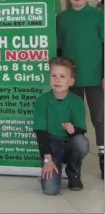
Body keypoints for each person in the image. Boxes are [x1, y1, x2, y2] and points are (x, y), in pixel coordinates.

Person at [56, 0, 104, 179]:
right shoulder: (62, 19)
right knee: (73, 117)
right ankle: (75, 158)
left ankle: (102, 154)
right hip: (70, 78)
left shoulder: (98, 15)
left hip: (95, 75)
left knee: (99, 117)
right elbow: (58, 49)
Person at [33, 57, 89, 195]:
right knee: (50, 190)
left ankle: (73, 171)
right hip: (51, 147)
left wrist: (73, 130)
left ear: (71, 81)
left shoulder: (76, 102)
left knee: (81, 142)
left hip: (69, 143)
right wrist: (47, 159)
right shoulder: (42, 101)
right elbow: (40, 132)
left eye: (62, 76)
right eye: (53, 76)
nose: (57, 80)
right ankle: (51, 168)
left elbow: (81, 128)